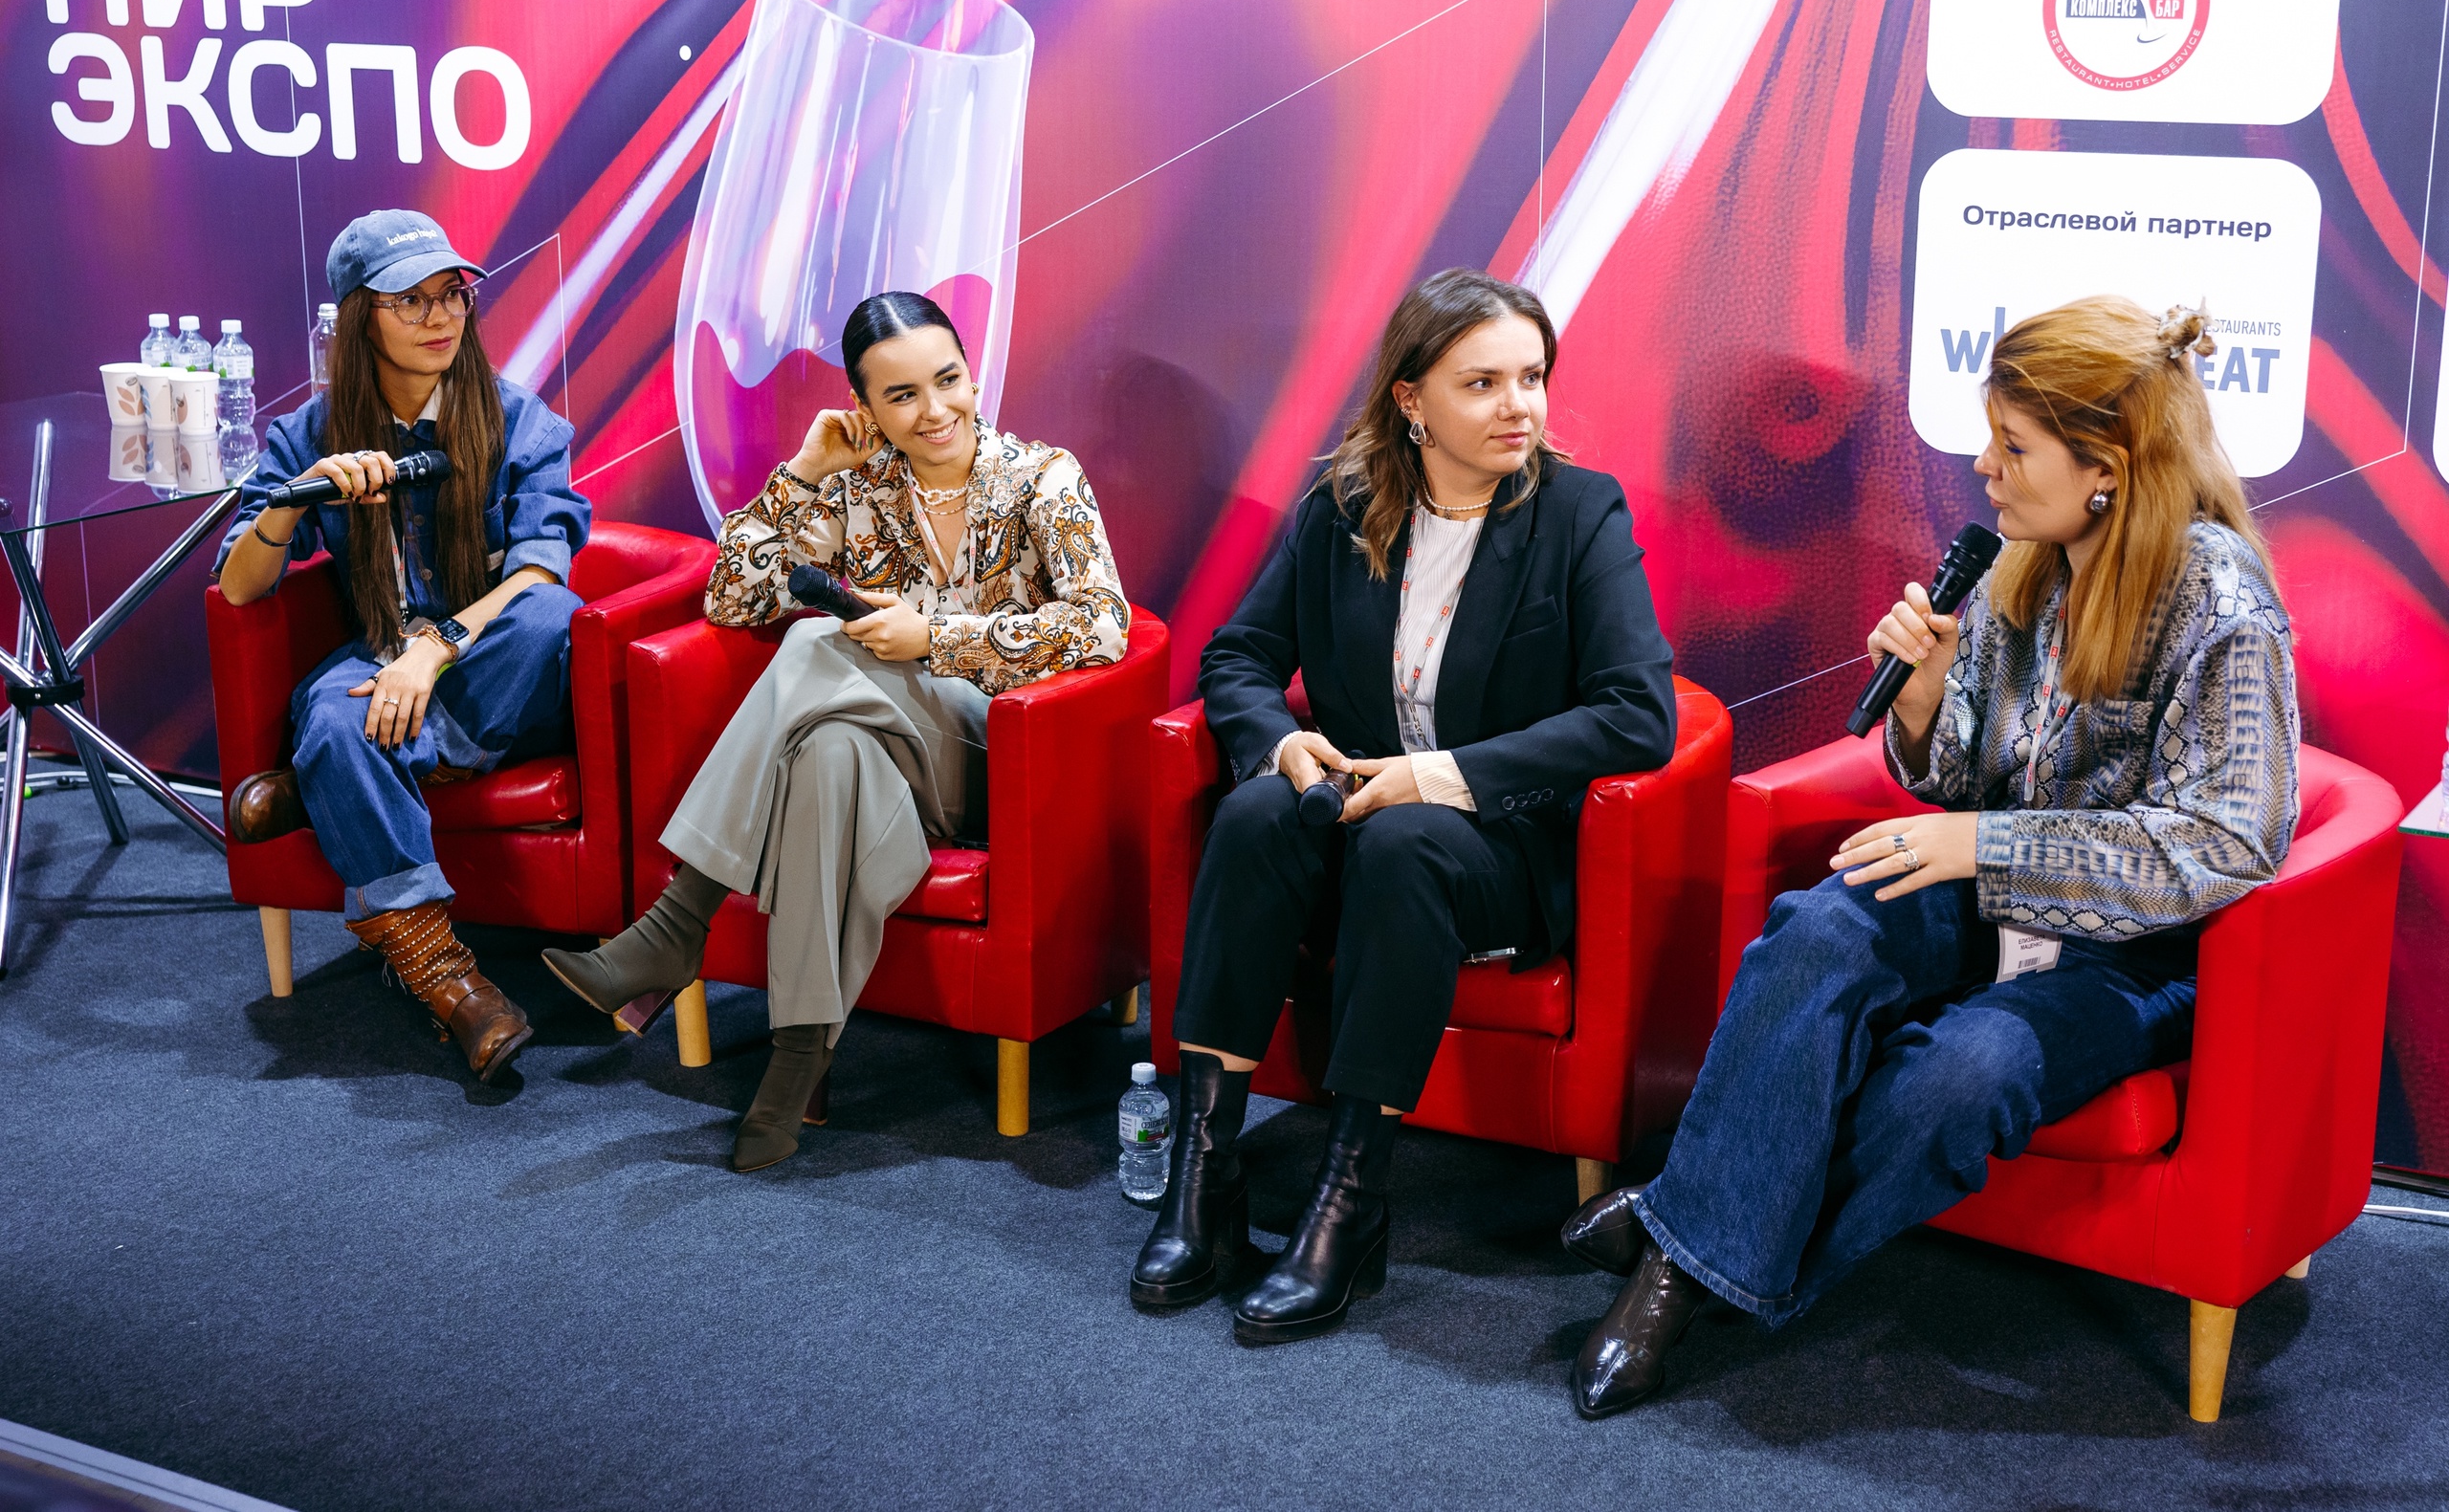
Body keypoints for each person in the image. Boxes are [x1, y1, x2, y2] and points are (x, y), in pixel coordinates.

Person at [1560, 297, 2302, 1418]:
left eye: (2013, 446)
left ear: (2106, 468)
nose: (1982, 466)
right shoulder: (2022, 566)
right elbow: (1965, 779)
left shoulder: (2218, 600)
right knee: (1821, 926)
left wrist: (1982, 845)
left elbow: (2223, 844)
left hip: (2136, 955)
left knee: (1963, 1079)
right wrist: (1921, 702)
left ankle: (1677, 1253)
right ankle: (1690, 1247)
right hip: (1996, 895)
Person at [1135, 268, 1679, 1343]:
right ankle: (1207, 1175)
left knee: (1408, 843)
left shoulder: (1580, 514)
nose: (1519, 405)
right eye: (1483, 383)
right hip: (1349, 818)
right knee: (1253, 814)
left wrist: (1434, 775)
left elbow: (1640, 714)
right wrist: (1280, 741)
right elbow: (1238, 656)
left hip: (1492, 846)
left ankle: (1351, 1200)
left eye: (1531, 377)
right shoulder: (1341, 505)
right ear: (1411, 400)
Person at [541, 291, 1129, 1171]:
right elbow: (731, 597)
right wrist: (806, 470)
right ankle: (795, 1067)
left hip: (997, 761)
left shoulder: (1042, 478)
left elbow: (1103, 623)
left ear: (972, 375)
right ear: (865, 407)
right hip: (887, 765)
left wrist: (936, 636)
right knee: (825, 753)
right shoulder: (857, 490)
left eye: (948, 380)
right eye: (902, 395)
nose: (934, 410)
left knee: (817, 640)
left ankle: (678, 920)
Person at [216, 209, 591, 1085]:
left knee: (552, 619)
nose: (440, 317)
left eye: (452, 294)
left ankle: (338, 777)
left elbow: (539, 575)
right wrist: (293, 500)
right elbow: (239, 587)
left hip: (485, 657)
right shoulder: (309, 432)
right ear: (361, 317)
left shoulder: (519, 418)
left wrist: (437, 649)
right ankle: (450, 980)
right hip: (380, 652)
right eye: (410, 301)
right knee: (334, 711)